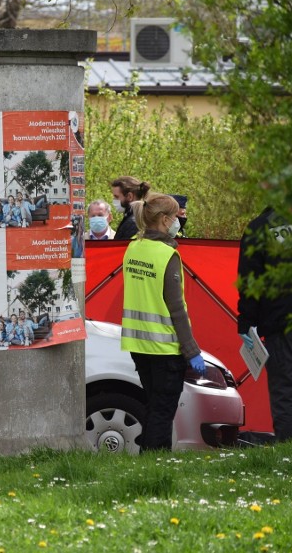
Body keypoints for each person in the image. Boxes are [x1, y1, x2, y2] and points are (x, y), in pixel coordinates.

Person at [120, 192, 206, 452]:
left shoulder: (133, 246)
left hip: (138, 345)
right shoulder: (166, 255)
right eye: (176, 216)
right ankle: (155, 463)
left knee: (153, 405)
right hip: (165, 347)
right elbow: (176, 308)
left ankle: (149, 460)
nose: (179, 221)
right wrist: (191, 350)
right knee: (162, 409)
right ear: (166, 220)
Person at [237, 206, 292, 441]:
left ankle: (290, 446)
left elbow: (250, 281)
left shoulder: (259, 228)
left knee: (286, 383)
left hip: (281, 318)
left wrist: (246, 321)